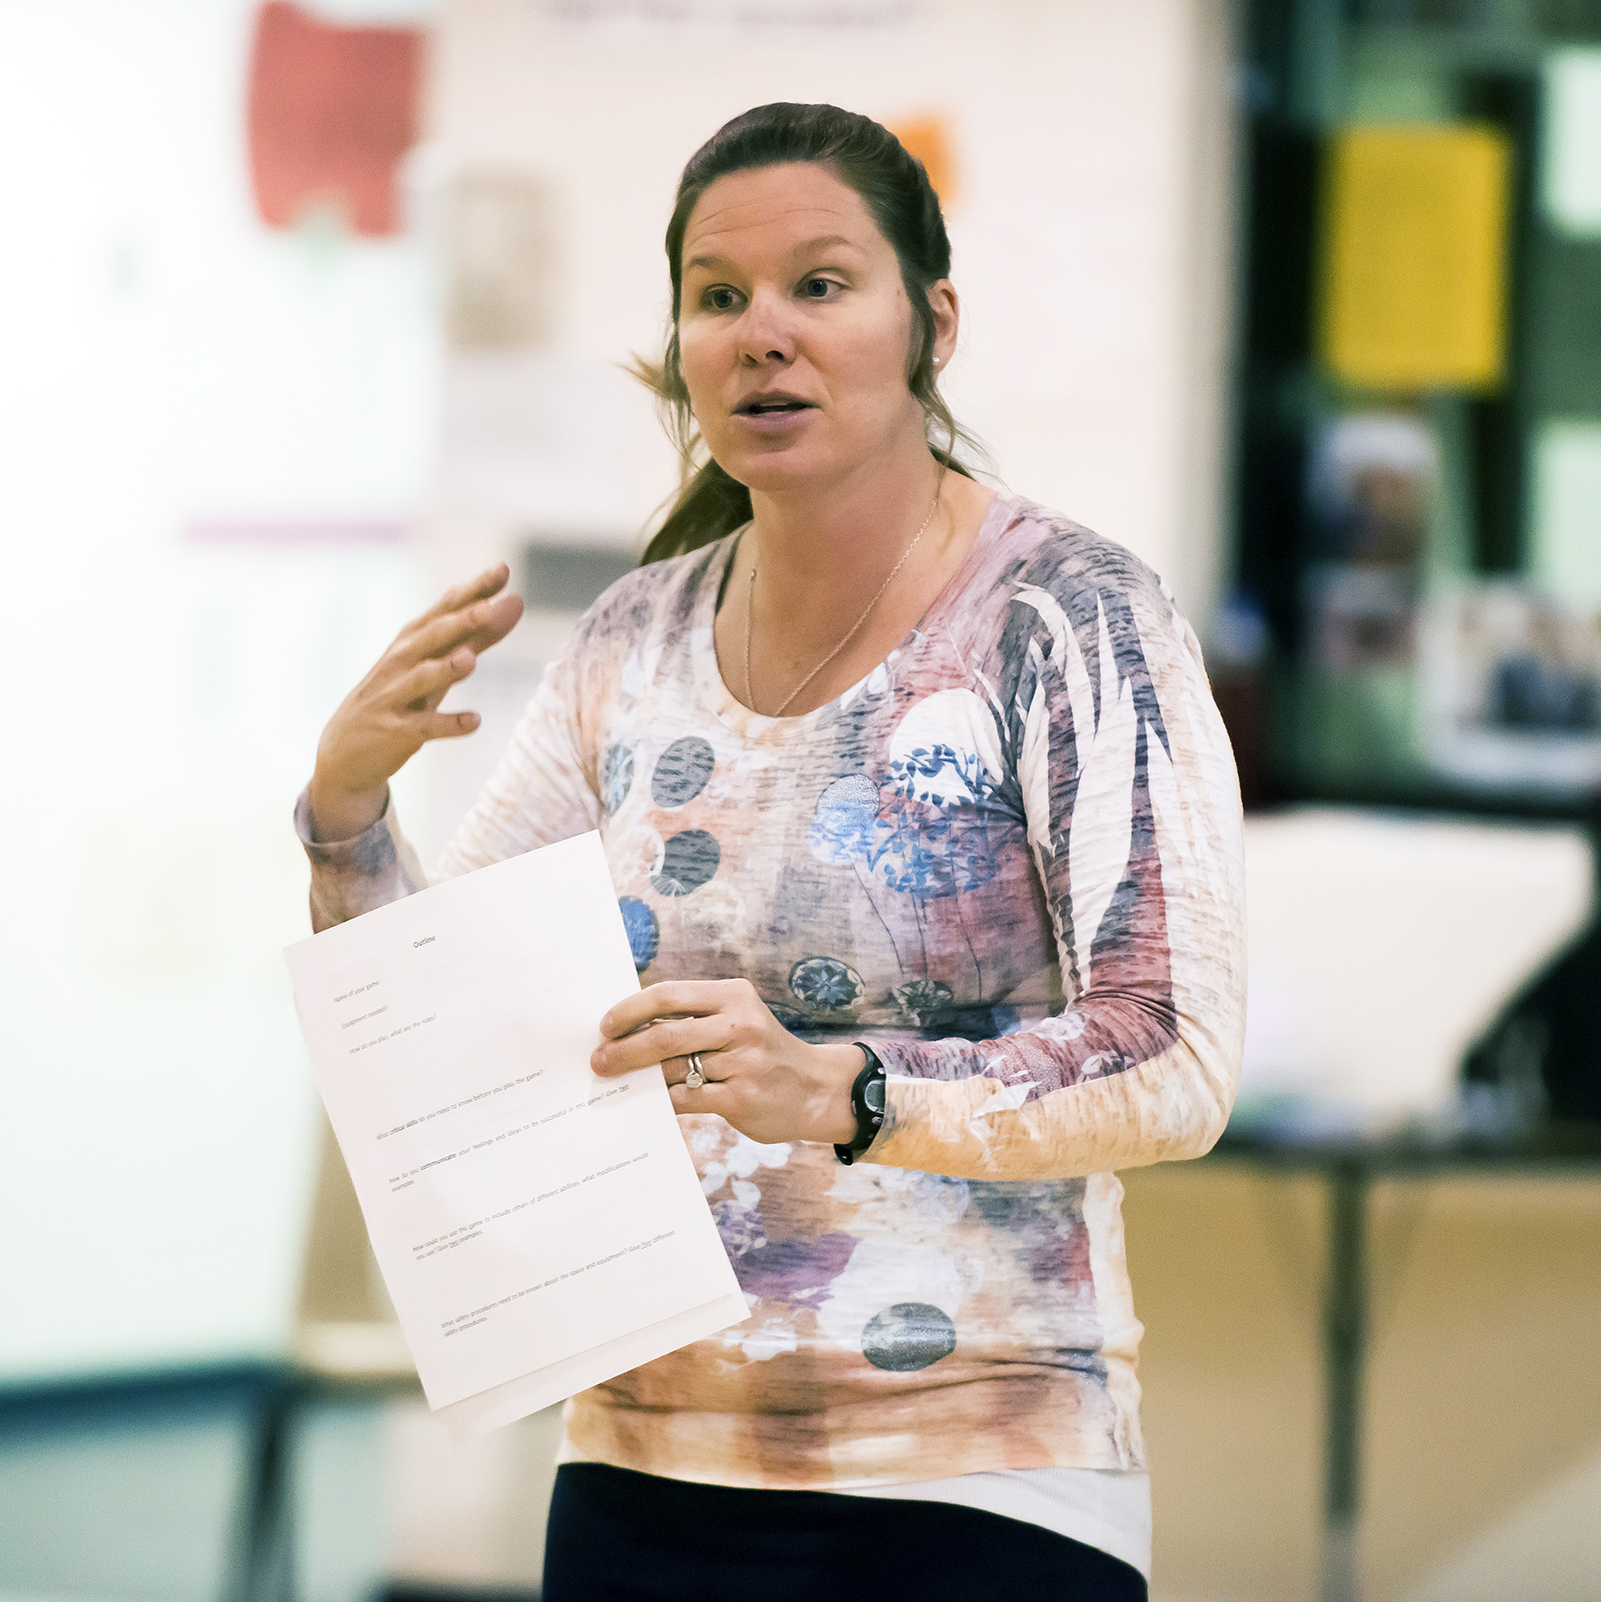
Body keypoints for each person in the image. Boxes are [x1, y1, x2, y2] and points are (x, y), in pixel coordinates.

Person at [300, 102, 1245, 1602]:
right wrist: (346, 823)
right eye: (717, 296)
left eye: (819, 284)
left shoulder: (1062, 612)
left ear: (928, 321)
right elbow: (462, 1027)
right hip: (639, 1454)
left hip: (979, 1464)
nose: (762, 335)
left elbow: (1175, 1052)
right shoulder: (632, 638)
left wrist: (856, 1091)